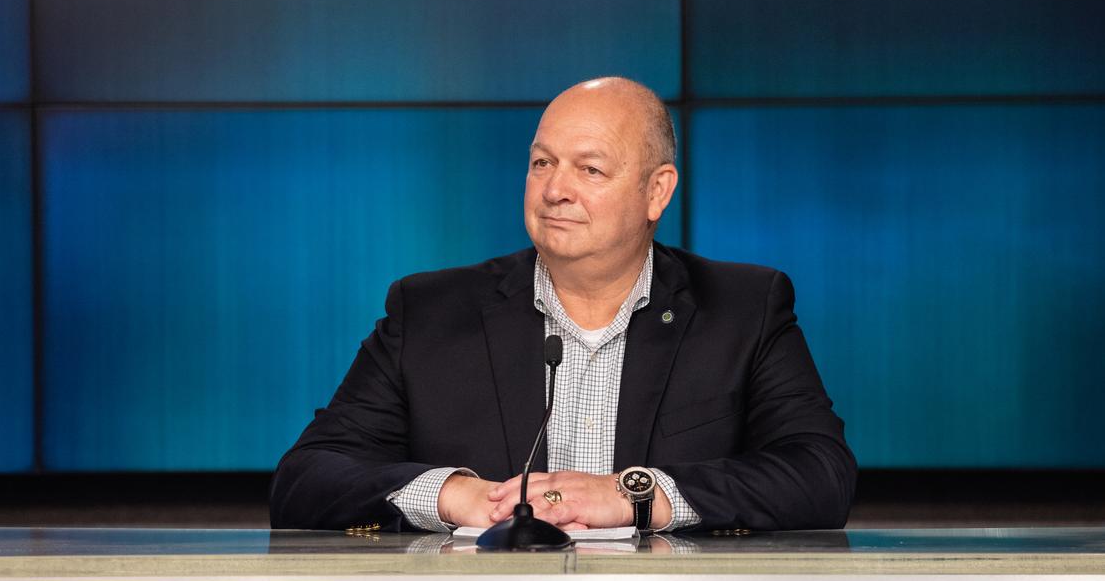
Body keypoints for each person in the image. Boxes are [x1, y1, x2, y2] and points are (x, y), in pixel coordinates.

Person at [270, 77, 855, 532]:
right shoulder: (429, 311)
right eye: (542, 163)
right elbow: (307, 478)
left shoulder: (743, 308)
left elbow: (820, 474)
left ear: (656, 191)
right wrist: (455, 495)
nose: (554, 190)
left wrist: (633, 495)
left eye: (590, 169)